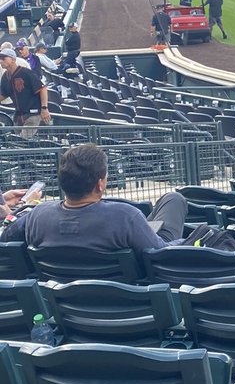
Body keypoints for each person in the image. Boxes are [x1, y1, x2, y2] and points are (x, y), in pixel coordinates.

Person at [5, 143, 188, 249]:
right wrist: (193, 241)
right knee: (174, 199)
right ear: (100, 184)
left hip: (62, 302)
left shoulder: (37, 215)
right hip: (126, 299)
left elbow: (6, 238)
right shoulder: (124, 216)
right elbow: (160, 253)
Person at [0, 51, 50, 137]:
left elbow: (42, 88)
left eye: (4, 58)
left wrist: (44, 108)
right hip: (19, 116)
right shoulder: (5, 76)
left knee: (22, 142)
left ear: (13, 59)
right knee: (16, 142)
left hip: (33, 114)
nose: (1, 61)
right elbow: (3, 94)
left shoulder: (26, 73)